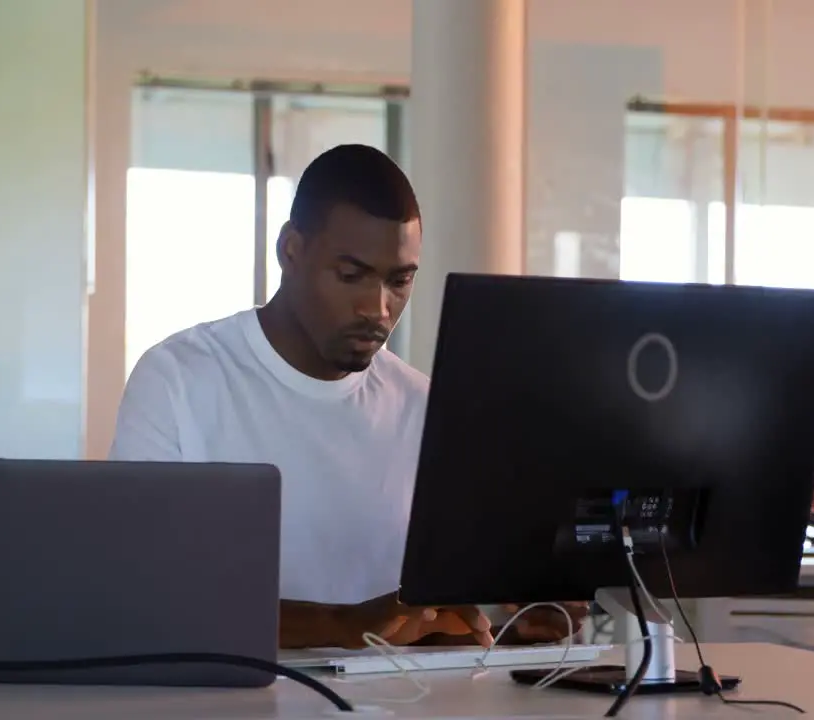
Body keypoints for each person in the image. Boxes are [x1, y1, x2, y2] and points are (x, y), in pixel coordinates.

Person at [109, 144, 586, 649]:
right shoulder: (178, 379)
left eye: (399, 281)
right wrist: (340, 626)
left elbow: (435, 627)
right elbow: (143, 600)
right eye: (352, 275)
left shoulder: (423, 408)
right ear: (291, 250)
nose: (377, 309)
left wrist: (515, 628)